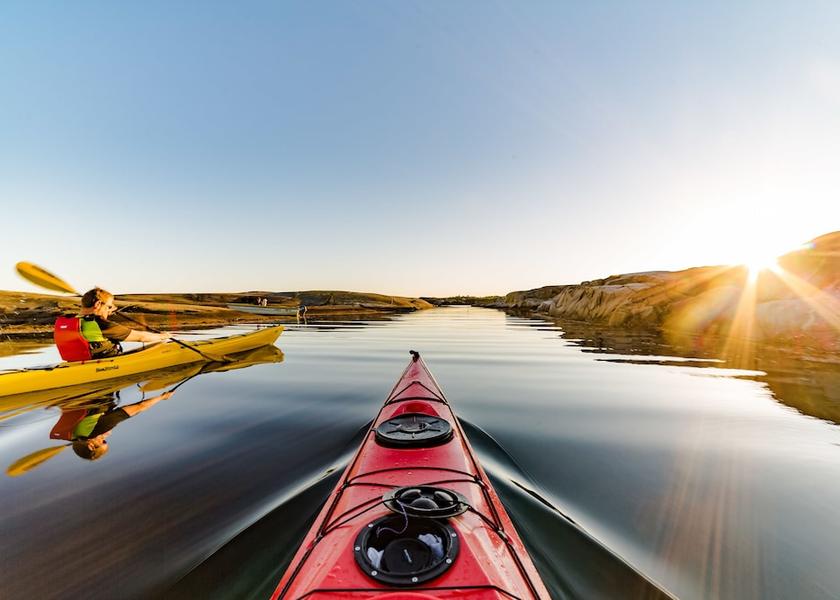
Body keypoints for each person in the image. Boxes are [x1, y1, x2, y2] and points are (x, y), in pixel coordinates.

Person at [68, 390, 174, 460]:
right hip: (87, 397)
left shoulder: (98, 429)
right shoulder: (73, 435)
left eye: (103, 442)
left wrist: (162, 397)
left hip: (103, 393)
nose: (106, 437)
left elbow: (140, 406)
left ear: (91, 446)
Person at [78, 288, 171, 358]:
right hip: (108, 362)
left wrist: (107, 309)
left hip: (81, 361)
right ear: (98, 304)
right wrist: (163, 336)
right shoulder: (102, 324)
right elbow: (141, 337)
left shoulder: (74, 321)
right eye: (109, 306)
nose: (109, 310)